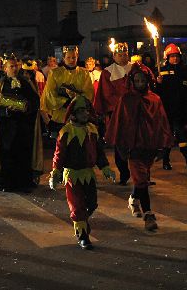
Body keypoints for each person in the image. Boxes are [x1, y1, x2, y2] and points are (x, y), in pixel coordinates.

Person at [105, 63, 173, 230]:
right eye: (137, 80)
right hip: (133, 148)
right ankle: (148, 214)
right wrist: (121, 147)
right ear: (132, 81)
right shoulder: (126, 99)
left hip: (149, 147)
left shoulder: (155, 99)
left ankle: (133, 199)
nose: (140, 83)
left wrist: (163, 145)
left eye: (143, 79)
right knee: (141, 178)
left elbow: (161, 122)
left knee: (141, 179)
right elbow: (119, 123)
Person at [49, 95, 114, 250]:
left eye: (86, 111)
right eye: (81, 112)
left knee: (91, 203)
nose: (86, 114)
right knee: (77, 206)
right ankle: (83, 236)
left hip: (88, 174)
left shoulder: (92, 130)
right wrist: (55, 173)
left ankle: (82, 222)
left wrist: (105, 167)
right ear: (73, 114)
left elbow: (99, 152)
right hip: (72, 176)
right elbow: (59, 154)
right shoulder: (66, 132)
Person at [0, 56, 44, 192]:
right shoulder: (0, 85)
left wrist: (27, 107)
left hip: (23, 126)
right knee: (8, 155)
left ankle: (24, 182)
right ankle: (8, 183)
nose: (14, 69)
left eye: (16, 66)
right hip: (7, 128)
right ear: (5, 69)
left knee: (23, 153)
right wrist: (6, 111)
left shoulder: (26, 82)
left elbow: (35, 100)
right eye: (11, 66)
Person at [93, 42, 135, 185]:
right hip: (118, 114)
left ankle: (141, 173)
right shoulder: (108, 72)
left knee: (138, 143)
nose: (123, 58)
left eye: (125, 55)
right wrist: (123, 103)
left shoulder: (135, 68)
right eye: (120, 55)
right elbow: (107, 94)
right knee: (120, 144)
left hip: (135, 113)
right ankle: (124, 171)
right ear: (114, 56)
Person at [156, 43, 187, 172]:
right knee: (168, 136)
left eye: (176, 56)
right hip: (167, 110)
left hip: (182, 110)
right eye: (172, 56)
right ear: (167, 57)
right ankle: (165, 161)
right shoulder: (161, 71)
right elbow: (157, 93)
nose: (174, 59)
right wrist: (158, 83)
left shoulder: (186, 71)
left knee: (184, 137)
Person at [41, 45, 94, 138]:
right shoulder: (54, 73)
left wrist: (76, 103)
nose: (71, 60)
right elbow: (50, 94)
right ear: (63, 58)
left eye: (74, 57)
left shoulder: (84, 73)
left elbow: (89, 93)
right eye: (68, 57)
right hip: (60, 116)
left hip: (78, 115)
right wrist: (66, 102)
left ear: (77, 57)